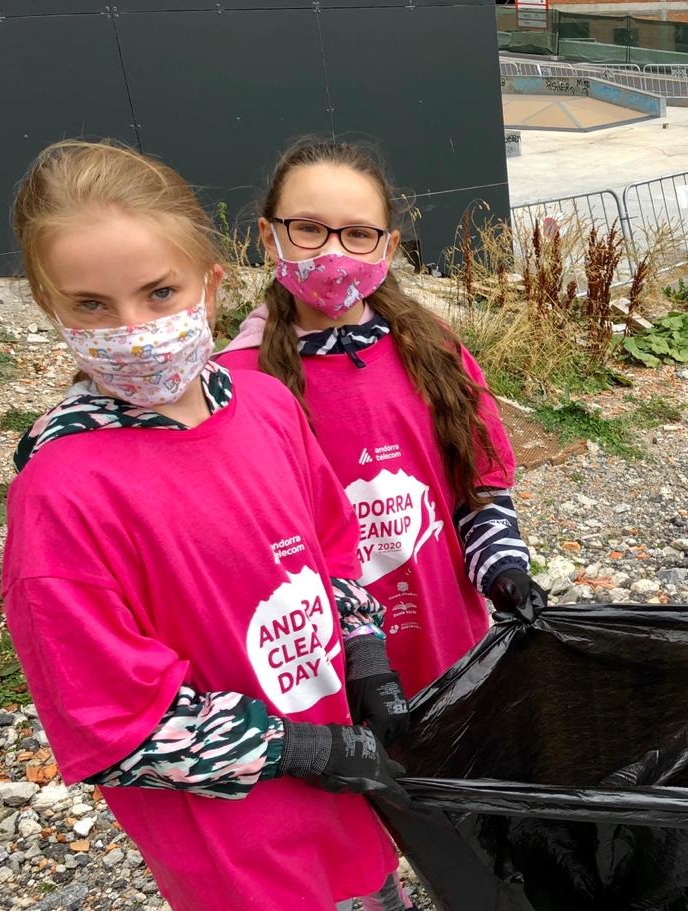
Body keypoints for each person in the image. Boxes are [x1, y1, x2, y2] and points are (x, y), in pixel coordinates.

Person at [3, 140, 411, 911]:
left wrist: (364, 650)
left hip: (324, 722)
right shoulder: (63, 495)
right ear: (51, 309)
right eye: (91, 305)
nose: (135, 331)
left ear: (210, 284)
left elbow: (330, 548)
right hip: (226, 810)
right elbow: (113, 724)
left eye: (160, 292)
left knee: (362, 855)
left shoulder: (266, 405)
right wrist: (290, 747)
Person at [219, 141, 542, 705]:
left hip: (450, 644)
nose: (334, 252)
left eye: (358, 234)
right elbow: (254, 552)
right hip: (334, 677)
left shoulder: (433, 349)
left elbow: (479, 484)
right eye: (309, 229)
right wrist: (358, 648)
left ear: (389, 247)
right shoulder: (237, 384)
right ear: (269, 237)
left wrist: (501, 566)